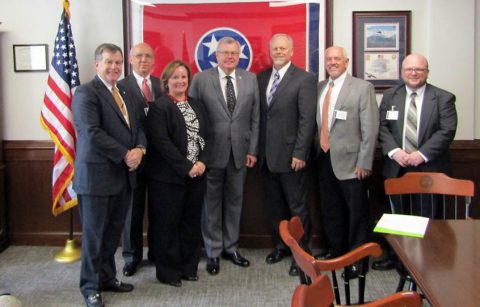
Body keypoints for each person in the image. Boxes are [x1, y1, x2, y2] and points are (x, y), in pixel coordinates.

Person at [72, 43, 146, 307]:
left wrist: (140, 148)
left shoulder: (125, 90)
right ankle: (90, 287)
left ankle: (107, 278)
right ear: (97, 65)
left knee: (113, 233)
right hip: (96, 178)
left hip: (123, 177)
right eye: (108, 62)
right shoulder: (85, 93)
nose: (114, 67)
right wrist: (126, 153)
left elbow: (137, 125)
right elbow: (92, 133)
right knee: (94, 237)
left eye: (117, 62)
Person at [373, 53, 457, 270]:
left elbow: (447, 131)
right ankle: (397, 258)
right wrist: (394, 151)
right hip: (396, 167)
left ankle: (424, 262)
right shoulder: (391, 96)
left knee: (425, 218)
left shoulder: (443, 98)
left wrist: (420, 154)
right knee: (397, 216)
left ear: (427, 72)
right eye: (409, 69)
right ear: (402, 72)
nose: (413, 73)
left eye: (419, 69)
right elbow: (382, 126)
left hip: (428, 168)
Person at [189, 36, 260, 275]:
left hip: (240, 152)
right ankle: (213, 252)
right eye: (225, 52)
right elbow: (191, 118)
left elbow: (255, 117)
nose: (230, 56)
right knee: (210, 204)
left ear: (240, 56)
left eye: (234, 53)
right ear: (216, 55)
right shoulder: (200, 79)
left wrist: (253, 149)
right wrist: (196, 154)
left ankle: (231, 248)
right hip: (209, 154)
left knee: (234, 201)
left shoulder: (250, 79)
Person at [313, 46, 379, 278]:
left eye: (337, 59)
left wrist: (365, 162)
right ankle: (337, 252)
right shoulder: (320, 87)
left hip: (353, 163)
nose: (332, 62)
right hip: (324, 159)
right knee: (331, 210)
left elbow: (369, 129)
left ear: (346, 62)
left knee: (356, 213)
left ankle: (358, 261)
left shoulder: (362, 88)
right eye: (329, 59)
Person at [257, 33, 317, 276]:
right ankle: (282, 246)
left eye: (283, 48)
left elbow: (307, 120)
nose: (279, 52)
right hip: (266, 157)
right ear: (270, 51)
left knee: (297, 208)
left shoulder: (304, 79)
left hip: (293, 156)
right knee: (275, 207)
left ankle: (301, 253)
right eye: (275, 48)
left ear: (292, 51)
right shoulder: (261, 78)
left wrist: (300, 152)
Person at [147, 60, 210, 287]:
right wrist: (187, 167)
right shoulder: (159, 107)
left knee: (191, 224)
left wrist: (202, 162)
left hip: (197, 176)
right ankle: (169, 272)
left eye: (183, 77)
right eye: (175, 77)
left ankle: (188, 267)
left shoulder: (197, 104)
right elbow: (161, 143)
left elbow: (208, 137)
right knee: (168, 225)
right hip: (168, 179)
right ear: (166, 81)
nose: (180, 81)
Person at [118, 42, 162, 277]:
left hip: (158, 160)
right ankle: (131, 257)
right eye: (138, 56)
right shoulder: (120, 86)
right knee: (132, 211)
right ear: (131, 60)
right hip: (133, 158)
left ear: (153, 61)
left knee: (158, 208)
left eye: (148, 56)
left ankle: (155, 251)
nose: (143, 60)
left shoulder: (159, 85)